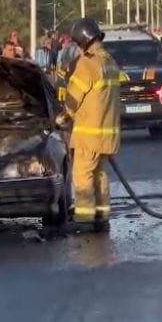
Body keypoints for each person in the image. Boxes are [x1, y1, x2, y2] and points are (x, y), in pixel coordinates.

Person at [55, 18, 121, 233]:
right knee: (99, 174)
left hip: (89, 133)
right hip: (107, 133)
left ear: (82, 40)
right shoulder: (108, 60)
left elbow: (74, 98)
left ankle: (84, 221)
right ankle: (102, 216)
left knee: (83, 176)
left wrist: (61, 119)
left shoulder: (88, 64)